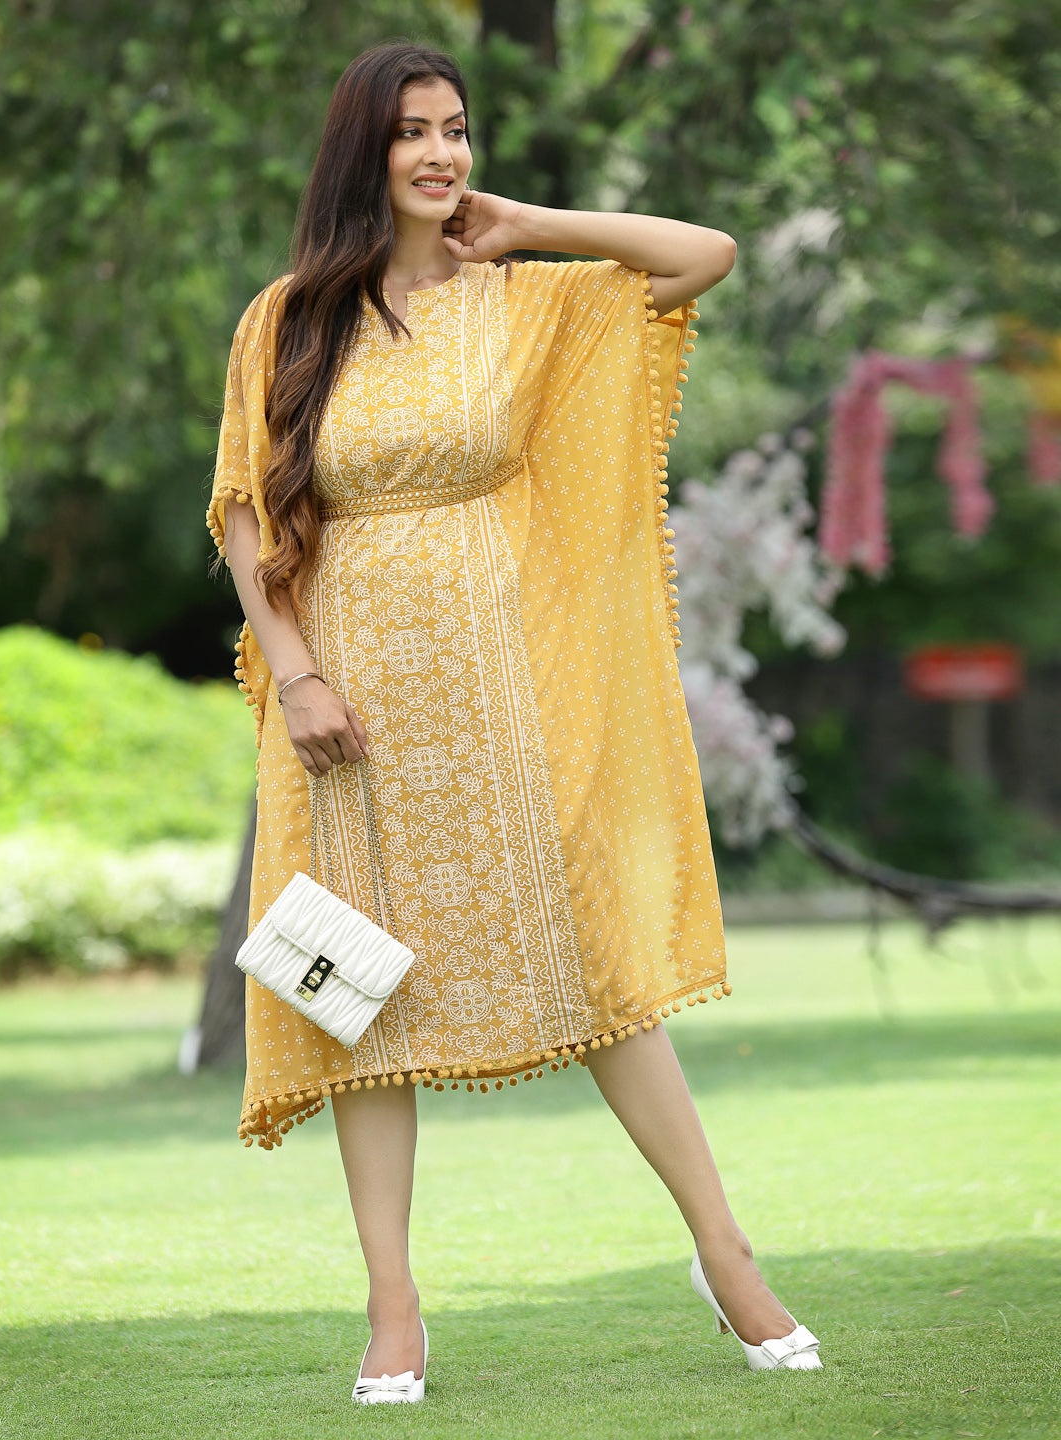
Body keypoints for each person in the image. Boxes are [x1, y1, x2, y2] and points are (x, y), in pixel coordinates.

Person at [207, 40, 823, 1404]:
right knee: (359, 995)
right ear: (361, 152)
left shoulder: (522, 296)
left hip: (504, 686)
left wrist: (529, 222)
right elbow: (248, 511)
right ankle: (393, 1307)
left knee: (594, 959)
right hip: (345, 706)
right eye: (412, 132)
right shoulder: (288, 320)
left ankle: (724, 1255)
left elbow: (704, 255)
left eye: (456, 129)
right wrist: (296, 675)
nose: (440, 154)